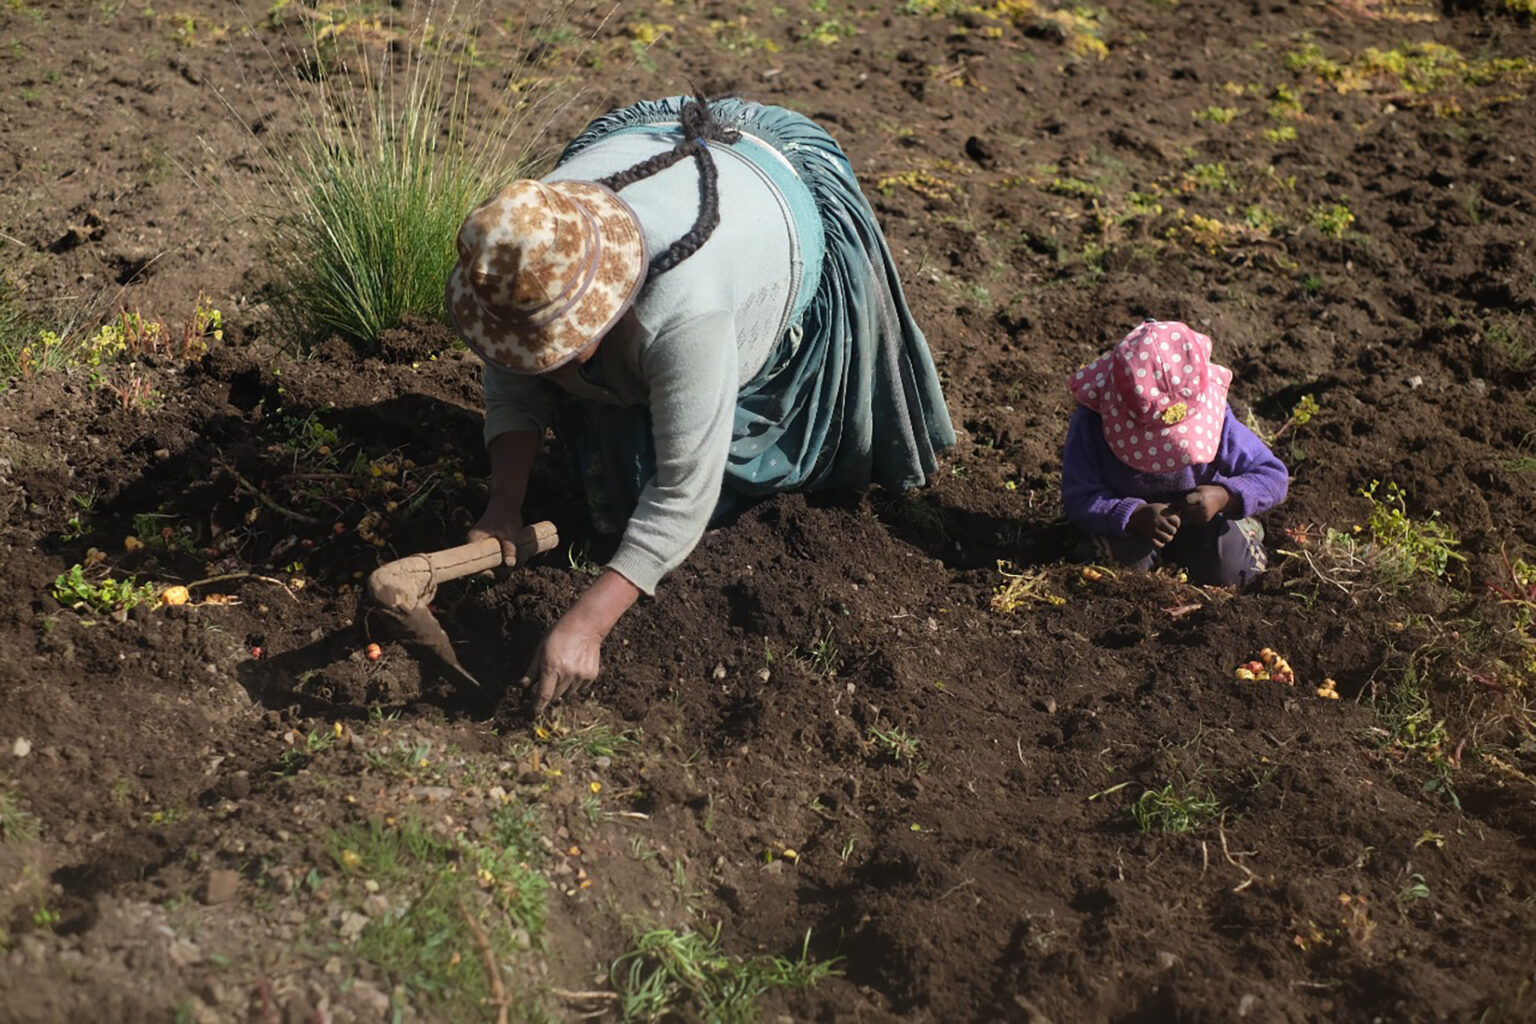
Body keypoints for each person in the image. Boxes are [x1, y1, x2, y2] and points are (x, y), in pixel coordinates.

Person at [446, 95, 955, 712]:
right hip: (653, 139)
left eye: (555, 341)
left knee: (703, 490)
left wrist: (587, 625)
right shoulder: (521, 242)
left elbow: (687, 485)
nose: (540, 355)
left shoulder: (685, 312)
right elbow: (512, 378)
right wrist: (504, 506)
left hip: (776, 193)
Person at [1059, 319, 1288, 587]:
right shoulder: (1091, 422)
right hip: (1130, 532)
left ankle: (1239, 535)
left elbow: (1273, 476)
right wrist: (1133, 515)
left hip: (1205, 523)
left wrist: (1224, 497)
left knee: (1235, 571)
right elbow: (1079, 498)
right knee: (1117, 572)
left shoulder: (1216, 419)